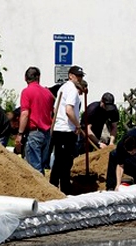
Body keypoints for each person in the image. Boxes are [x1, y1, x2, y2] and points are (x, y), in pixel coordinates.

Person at [49, 65, 85, 193]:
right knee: (65, 162)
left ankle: (52, 186)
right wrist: (78, 125)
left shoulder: (62, 88)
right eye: (77, 76)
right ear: (70, 75)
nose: (79, 79)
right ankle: (64, 188)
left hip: (59, 129)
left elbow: (55, 109)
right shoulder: (72, 90)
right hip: (66, 130)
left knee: (59, 159)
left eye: (81, 76)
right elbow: (69, 110)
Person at [15, 67, 55, 174]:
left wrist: (19, 133)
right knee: (41, 165)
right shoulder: (48, 93)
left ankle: (41, 190)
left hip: (34, 134)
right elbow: (52, 112)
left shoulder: (27, 92)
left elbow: (25, 114)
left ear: (25, 78)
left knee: (34, 170)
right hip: (47, 134)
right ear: (38, 77)